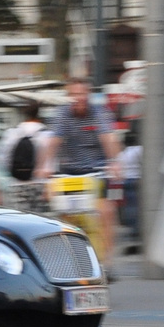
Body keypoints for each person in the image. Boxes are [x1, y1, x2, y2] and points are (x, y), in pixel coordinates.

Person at [44, 77, 123, 271]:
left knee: (106, 211)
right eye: (74, 94)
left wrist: (114, 162)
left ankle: (108, 261)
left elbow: (108, 138)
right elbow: (53, 141)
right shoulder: (62, 114)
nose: (78, 98)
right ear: (69, 96)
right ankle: (66, 259)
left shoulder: (99, 113)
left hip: (95, 171)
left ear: (88, 95)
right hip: (68, 172)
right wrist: (44, 166)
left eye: (82, 93)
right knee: (61, 216)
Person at [0, 103, 52, 212]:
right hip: (40, 186)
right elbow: (50, 164)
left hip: (16, 185)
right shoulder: (47, 135)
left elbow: (2, 159)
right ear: (39, 115)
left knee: (19, 221)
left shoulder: (11, 133)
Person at [118, 129, 143, 244]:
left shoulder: (122, 154)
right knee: (136, 206)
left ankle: (131, 229)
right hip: (135, 180)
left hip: (125, 181)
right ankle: (136, 230)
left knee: (128, 207)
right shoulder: (138, 150)